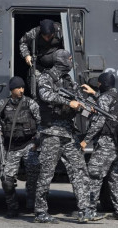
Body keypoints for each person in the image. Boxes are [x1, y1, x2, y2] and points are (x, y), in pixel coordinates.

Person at [34, 49, 97, 224]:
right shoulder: (45, 78)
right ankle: (40, 212)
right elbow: (45, 95)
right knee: (46, 173)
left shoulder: (69, 81)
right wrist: (68, 102)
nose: (71, 61)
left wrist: (88, 106)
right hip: (51, 132)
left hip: (69, 133)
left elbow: (79, 99)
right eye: (69, 59)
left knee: (79, 170)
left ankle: (85, 209)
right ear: (61, 61)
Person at [0, 76, 41, 218]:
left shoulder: (31, 104)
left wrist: (37, 141)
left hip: (29, 145)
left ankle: (33, 202)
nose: (21, 90)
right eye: (18, 88)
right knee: (7, 181)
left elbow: (41, 123)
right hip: (11, 147)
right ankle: (13, 207)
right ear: (12, 90)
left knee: (35, 176)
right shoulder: (2, 105)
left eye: (23, 87)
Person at [80, 72, 118, 221]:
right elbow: (107, 104)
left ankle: (90, 210)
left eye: (99, 84)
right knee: (116, 177)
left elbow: (99, 122)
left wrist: (85, 140)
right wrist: (94, 93)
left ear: (104, 84)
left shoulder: (104, 98)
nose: (98, 86)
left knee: (94, 174)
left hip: (106, 144)